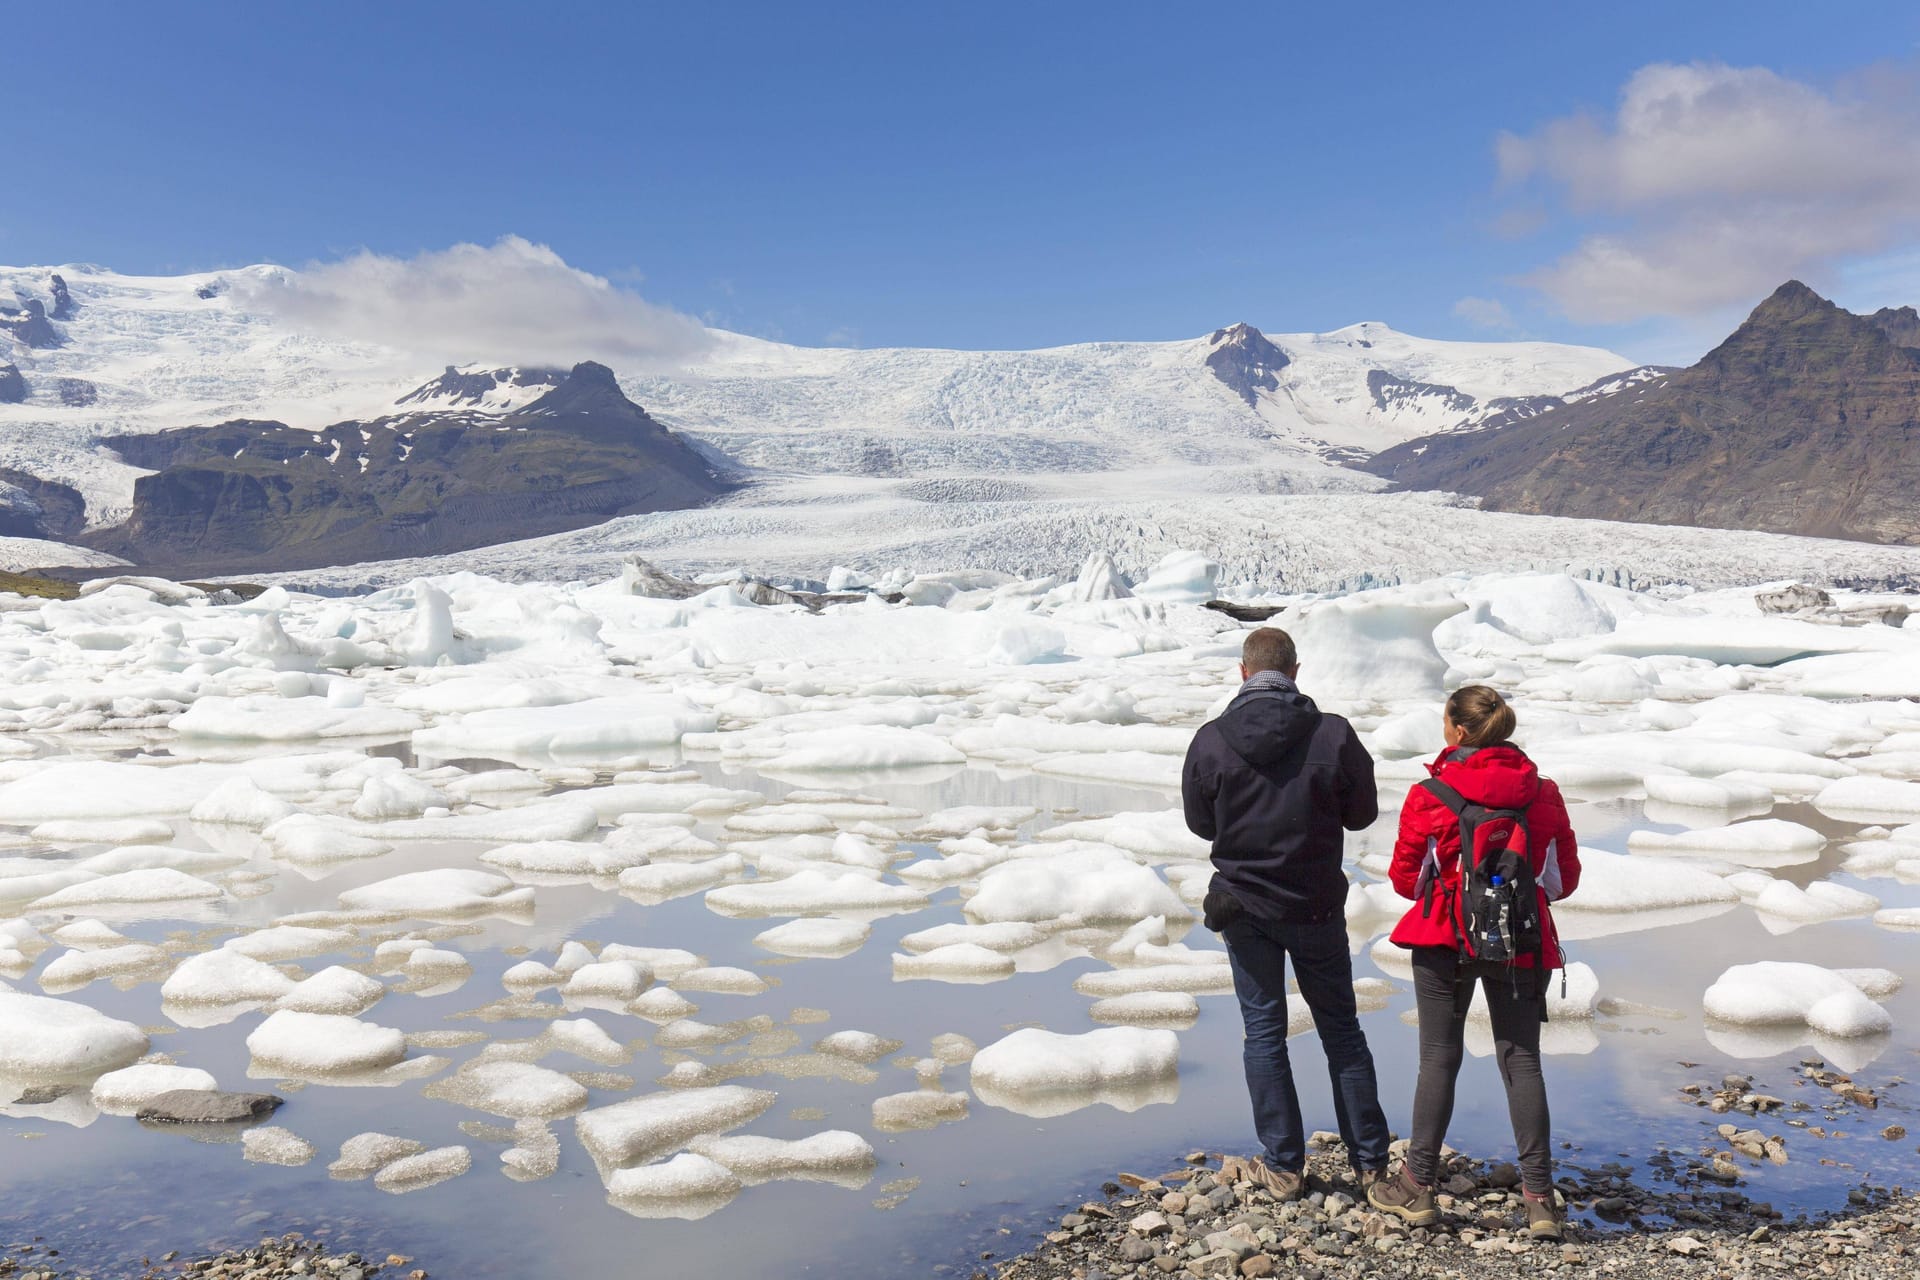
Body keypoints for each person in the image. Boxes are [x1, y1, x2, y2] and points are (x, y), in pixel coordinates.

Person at [1181, 626, 1390, 1198]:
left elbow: (1201, 823)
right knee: (1341, 1031)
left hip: (1244, 906)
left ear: (1243, 673)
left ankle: (1284, 1166)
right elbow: (1362, 814)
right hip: (1316, 905)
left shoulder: (1212, 740)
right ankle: (1371, 1166)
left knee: (1264, 1034)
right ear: (1295, 672)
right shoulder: (1334, 735)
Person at [1367, 685, 1582, 1240]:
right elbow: (1562, 881)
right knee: (1522, 1062)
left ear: (1457, 731)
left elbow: (1404, 879)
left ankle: (1417, 1188)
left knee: (1439, 1058)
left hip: (1444, 937)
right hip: (1520, 943)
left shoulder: (1430, 793)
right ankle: (1539, 1202)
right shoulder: (1543, 792)